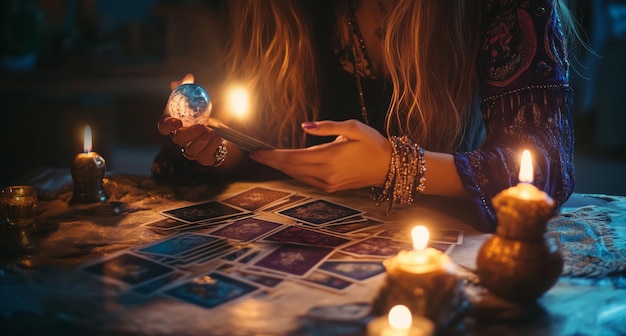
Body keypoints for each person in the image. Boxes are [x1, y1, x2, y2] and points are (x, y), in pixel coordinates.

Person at [154, 0, 579, 231]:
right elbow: (264, 145)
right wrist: (220, 149)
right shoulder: (274, 12)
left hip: (443, 252)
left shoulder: (507, 8)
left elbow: (545, 169)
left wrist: (395, 166)